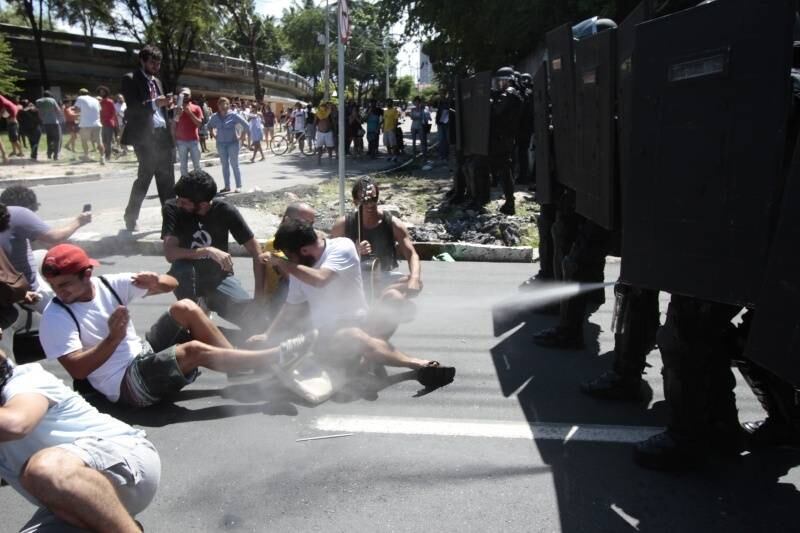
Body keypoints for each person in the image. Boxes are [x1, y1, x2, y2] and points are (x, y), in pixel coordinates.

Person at [39, 243, 320, 407]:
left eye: (64, 284)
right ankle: (273, 359)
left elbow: (172, 284)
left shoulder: (107, 285)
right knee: (191, 350)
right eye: (53, 286)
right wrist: (112, 339)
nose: (59, 291)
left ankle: (238, 368)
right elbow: (76, 368)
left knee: (185, 307)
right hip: (125, 385)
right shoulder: (56, 316)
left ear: (87, 273)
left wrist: (156, 282)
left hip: (141, 354)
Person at [255, 220, 455, 389]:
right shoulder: (300, 269)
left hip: (363, 322)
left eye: (290, 255)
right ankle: (419, 365)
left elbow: (321, 279)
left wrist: (283, 263)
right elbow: (291, 307)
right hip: (330, 339)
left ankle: (364, 360)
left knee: (393, 298)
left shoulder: (342, 246)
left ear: (305, 250)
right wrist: (268, 334)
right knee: (353, 336)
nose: (288, 260)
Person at [0, 351, 160, 532]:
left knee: (45, 468)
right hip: (65, 503)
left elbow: (16, 424)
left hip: (127, 463)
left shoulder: (25, 380)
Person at [162, 171, 263, 332]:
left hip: (218, 278)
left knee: (257, 322)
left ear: (202, 204)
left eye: (184, 202)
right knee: (182, 271)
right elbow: (170, 253)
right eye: (178, 200)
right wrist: (207, 251)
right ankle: (194, 316)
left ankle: (212, 327)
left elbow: (256, 251)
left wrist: (259, 298)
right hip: (188, 279)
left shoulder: (225, 210)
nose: (179, 204)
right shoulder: (172, 208)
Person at [330, 177, 422, 337]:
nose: (370, 204)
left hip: (384, 276)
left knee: (416, 283)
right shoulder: (343, 224)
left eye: (373, 199)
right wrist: (353, 251)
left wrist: (414, 278)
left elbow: (411, 254)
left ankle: (383, 297)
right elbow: (328, 257)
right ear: (355, 201)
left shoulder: (392, 223)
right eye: (364, 200)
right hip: (354, 278)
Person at [0, 200, 92, 314]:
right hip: (19, 288)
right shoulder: (17, 214)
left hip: (13, 282)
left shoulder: (14, 215)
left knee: (43, 254)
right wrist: (80, 221)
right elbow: (55, 237)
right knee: (62, 314)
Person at [120, 44, 176, 232]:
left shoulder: (157, 82)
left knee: (167, 179)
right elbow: (134, 107)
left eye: (158, 63)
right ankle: (131, 216)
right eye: (152, 62)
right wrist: (154, 102)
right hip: (144, 137)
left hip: (161, 135)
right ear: (142, 60)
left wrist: (169, 105)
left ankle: (170, 220)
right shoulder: (130, 79)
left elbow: (161, 111)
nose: (155, 67)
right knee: (145, 177)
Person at [207, 97, 250, 194]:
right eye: (221, 104)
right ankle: (227, 186)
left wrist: (242, 136)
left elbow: (246, 125)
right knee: (224, 165)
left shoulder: (233, 115)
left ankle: (238, 186)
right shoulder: (214, 116)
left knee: (234, 165)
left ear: (228, 105)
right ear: (218, 106)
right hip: (221, 144)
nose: (223, 106)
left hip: (232, 143)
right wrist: (213, 134)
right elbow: (209, 126)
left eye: (225, 104)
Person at [174, 87, 203, 177]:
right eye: (182, 94)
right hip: (181, 141)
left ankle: (199, 184)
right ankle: (185, 186)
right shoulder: (176, 108)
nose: (184, 96)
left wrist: (189, 113)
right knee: (183, 166)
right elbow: (173, 124)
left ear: (190, 95)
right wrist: (177, 114)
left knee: (197, 165)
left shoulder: (196, 107)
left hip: (194, 140)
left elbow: (199, 124)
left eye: (186, 94)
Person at [73, 88, 104, 165]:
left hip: (86, 124)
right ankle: (102, 157)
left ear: (80, 93)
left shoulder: (80, 98)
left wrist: (79, 111)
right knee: (99, 142)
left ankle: (87, 156)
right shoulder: (95, 99)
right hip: (97, 124)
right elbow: (100, 110)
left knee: (84, 141)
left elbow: (76, 110)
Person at [35, 90, 63, 161]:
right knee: (57, 139)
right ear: (50, 95)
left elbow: (38, 112)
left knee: (49, 138)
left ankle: (49, 153)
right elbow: (58, 110)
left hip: (45, 123)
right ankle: (56, 155)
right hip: (54, 122)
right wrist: (60, 116)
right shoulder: (52, 100)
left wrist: (42, 119)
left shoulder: (38, 101)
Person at [0, 94, 23, 159]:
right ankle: (14, 151)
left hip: (13, 124)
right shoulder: (10, 105)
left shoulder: (6, 105)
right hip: (10, 124)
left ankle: (21, 152)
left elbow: (2, 111)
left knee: (14, 139)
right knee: (11, 139)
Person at [98, 86, 118, 162]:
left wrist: (116, 125)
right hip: (102, 123)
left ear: (106, 92)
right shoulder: (100, 102)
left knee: (108, 141)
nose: (101, 93)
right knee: (103, 141)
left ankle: (108, 156)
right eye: (100, 92)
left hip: (109, 123)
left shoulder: (110, 101)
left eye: (103, 91)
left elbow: (114, 113)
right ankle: (107, 155)